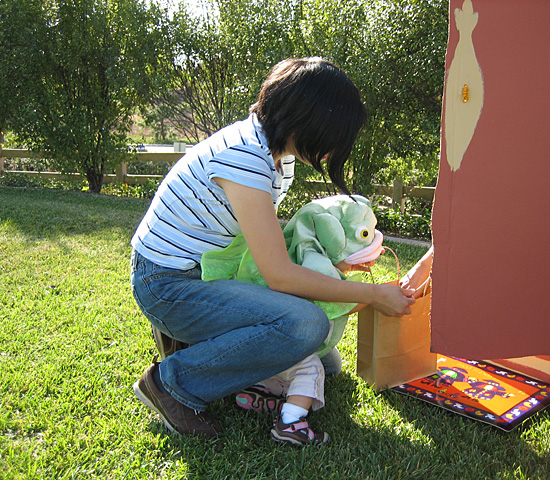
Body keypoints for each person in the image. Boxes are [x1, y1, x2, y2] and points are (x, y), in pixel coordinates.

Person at [130, 57, 416, 446]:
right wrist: (371, 294)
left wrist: (334, 261)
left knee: (325, 363)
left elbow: (262, 235)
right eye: (335, 134)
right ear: (311, 120)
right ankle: (171, 383)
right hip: (169, 286)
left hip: (204, 275)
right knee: (306, 327)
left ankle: (197, 345)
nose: (335, 147)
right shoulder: (246, 157)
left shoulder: (274, 157)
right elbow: (278, 274)